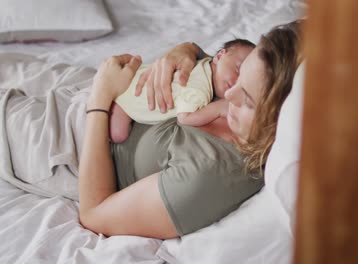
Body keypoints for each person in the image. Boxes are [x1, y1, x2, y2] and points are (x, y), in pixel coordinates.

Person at [78, 20, 303, 239]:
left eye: (248, 101)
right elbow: (213, 63)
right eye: (240, 75)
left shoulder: (209, 173)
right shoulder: (246, 92)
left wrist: (100, 96)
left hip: (72, 143)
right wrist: (186, 49)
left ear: (281, 121)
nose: (230, 95)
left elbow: (93, 214)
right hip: (85, 89)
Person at [109, 39, 255, 143]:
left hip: (134, 75)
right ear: (219, 56)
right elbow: (185, 118)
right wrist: (219, 108)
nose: (237, 81)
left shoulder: (201, 63)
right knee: (118, 135)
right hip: (124, 96)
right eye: (238, 70)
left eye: (244, 83)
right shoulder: (200, 89)